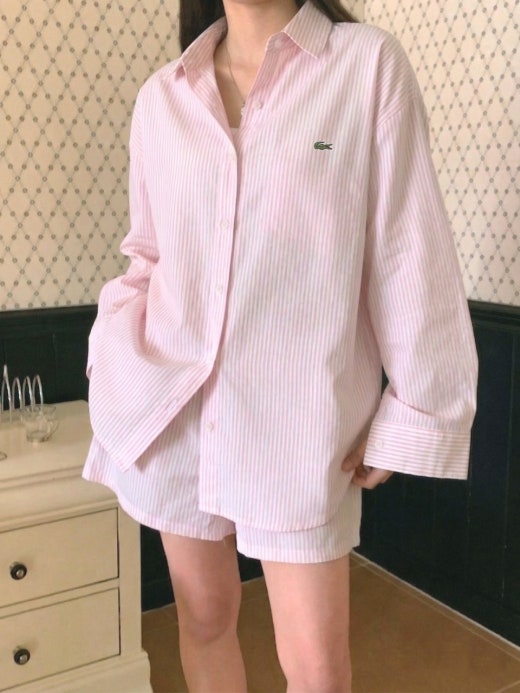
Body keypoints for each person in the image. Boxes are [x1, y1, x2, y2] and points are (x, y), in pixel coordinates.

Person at [83, 1, 478, 691]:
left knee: (317, 668)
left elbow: (408, 250)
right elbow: (147, 255)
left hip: (299, 423)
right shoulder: (162, 98)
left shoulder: (364, 66)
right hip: (173, 411)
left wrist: (413, 410)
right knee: (204, 619)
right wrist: (112, 351)